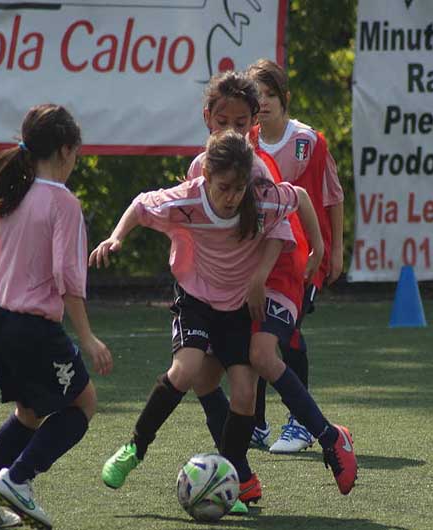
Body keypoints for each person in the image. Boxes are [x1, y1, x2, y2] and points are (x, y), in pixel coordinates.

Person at [93, 129, 304, 508]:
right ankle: (134, 449)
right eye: (224, 188)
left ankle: (230, 478)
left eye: (239, 188)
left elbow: (298, 198)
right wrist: (116, 236)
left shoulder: (260, 197)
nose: (232, 197)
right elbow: (141, 205)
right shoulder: (188, 199)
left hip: (238, 308)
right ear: (206, 175)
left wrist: (316, 248)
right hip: (196, 300)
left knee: (245, 393)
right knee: (186, 370)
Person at [184, 71, 358, 508]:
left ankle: (328, 437)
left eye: (240, 123)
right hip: (240, 280)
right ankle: (240, 474)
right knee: (205, 376)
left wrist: (321, 247)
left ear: (254, 124)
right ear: (207, 119)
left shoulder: (254, 166)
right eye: (222, 121)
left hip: (277, 270)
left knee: (262, 356)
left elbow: (297, 200)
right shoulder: (205, 165)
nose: (230, 131)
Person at [0, 104, 113, 530]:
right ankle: (19, 478)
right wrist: (87, 338)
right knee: (84, 403)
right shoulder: (62, 202)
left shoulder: (13, 193)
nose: (76, 160)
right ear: (65, 150)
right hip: (32, 328)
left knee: (29, 413)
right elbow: (68, 278)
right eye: (76, 153)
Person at [246, 58, 346, 453]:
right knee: (251, 332)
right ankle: (254, 422)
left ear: (284, 98)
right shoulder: (245, 143)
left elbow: (332, 195)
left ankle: (301, 423)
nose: (263, 102)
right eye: (257, 95)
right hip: (262, 257)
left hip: (305, 258)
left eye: (270, 95)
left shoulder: (309, 141)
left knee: (287, 334)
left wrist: (334, 251)